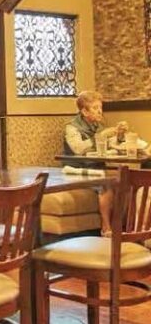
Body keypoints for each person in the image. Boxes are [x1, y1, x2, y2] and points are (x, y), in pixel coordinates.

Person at [63, 91, 123, 236]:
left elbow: (110, 145)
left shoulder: (98, 125)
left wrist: (119, 135)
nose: (100, 111)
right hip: (77, 169)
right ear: (84, 111)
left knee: (124, 177)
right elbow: (78, 149)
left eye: (100, 107)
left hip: (96, 167)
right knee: (106, 182)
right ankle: (106, 228)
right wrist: (99, 137)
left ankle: (125, 227)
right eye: (96, 108)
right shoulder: (72, 127)